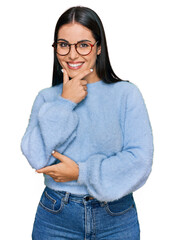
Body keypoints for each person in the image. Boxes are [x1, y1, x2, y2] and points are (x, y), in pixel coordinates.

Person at [21, 6, 154, 240]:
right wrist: (65, 102)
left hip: (116, 217)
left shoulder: (126, 94)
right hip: (56, 217)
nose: (72, 55)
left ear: (99, 47)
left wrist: (81, 172)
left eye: (83, 45)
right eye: (64, 45)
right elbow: (36, 157)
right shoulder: (48, 98)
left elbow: (139, 161)